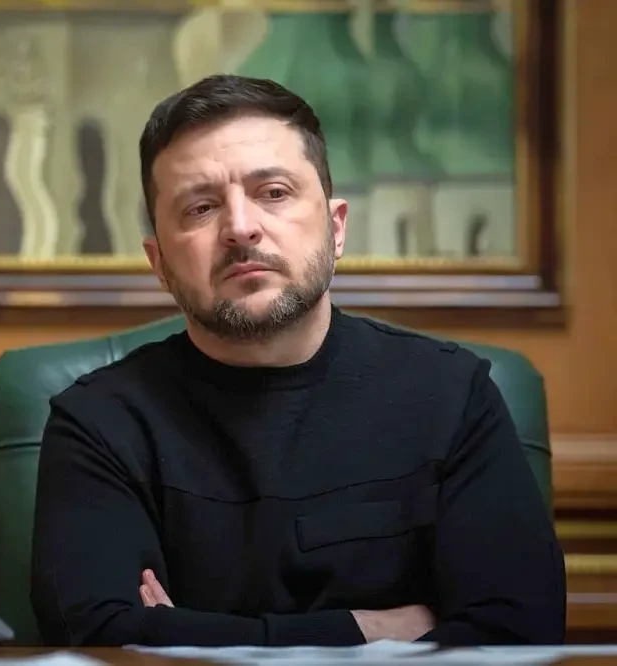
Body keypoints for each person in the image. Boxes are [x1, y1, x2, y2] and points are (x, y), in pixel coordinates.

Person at [29, 74, 566, 648]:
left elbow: (520, 630)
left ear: (336, 228)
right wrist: (369, 630)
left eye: (274, 193)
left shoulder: (452, 395)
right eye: (201, 207)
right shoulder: (99, 422)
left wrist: (181, 633)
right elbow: (97, 637)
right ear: (159, 263)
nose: (240, 228)